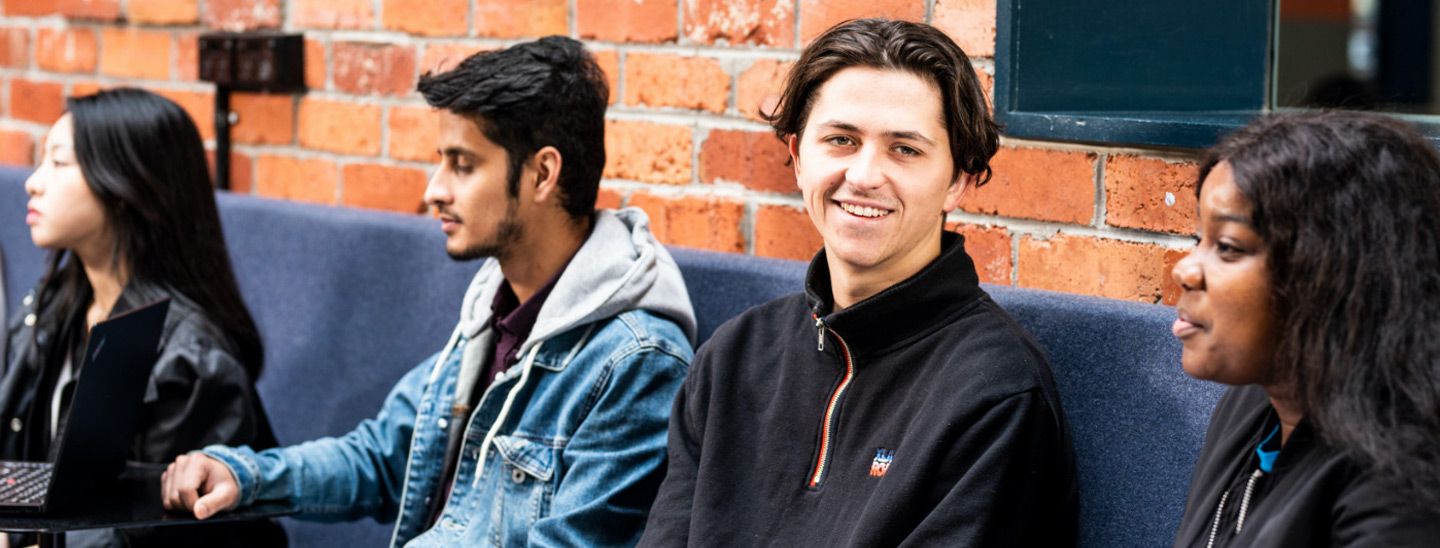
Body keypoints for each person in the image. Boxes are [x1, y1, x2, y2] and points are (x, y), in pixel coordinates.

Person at [161, 36, 696, 547]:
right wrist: (243, 474)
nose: (433, 190)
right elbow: (381, 459)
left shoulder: (635, 362)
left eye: (462, 165)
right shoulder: (497, 309)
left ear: (542, 174)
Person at [640, 18, 1078, 546]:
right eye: (842, 140)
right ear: (799, 158)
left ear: (958, 181)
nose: (866, 175)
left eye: (905, 149)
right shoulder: (733, 357)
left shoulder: (995, 393)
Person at [4, 88, 285, 546]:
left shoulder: (190, 358)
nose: (33, 182)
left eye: (59, 163)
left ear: (123, 187)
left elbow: (150, 531)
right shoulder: (54, 306)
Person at [1171, 111, 1440, 546]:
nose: (1185, 270)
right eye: (1197, 240)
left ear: (1332, 275)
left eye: (1227, 247)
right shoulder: (1256, 402)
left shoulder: (1406, 489)